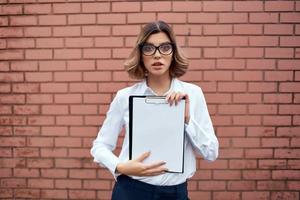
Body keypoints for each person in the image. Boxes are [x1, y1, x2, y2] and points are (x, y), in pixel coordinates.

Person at [90, 20, 219, 200]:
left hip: (176, 193)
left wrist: (187, 119)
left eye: (165, 48)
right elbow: (100, 146)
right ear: (141, 54)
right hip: (131, 191)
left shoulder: (192, 94)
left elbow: (211, 153)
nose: (157, 55)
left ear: (173, 52)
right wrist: (120, 166)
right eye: (149, 48)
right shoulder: (125, 97)